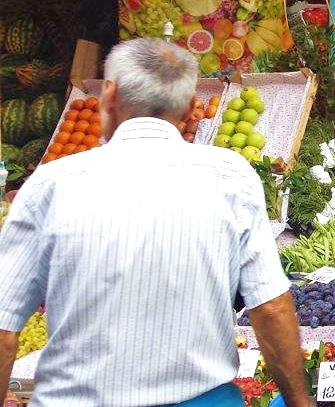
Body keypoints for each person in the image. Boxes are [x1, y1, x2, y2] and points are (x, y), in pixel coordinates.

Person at [0, 39, 309, 406]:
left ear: (109, 94)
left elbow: (4, 327)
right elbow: (270, 309)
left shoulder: (49, 184)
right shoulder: (231, 177)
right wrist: (300, 403)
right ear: (191, 106)